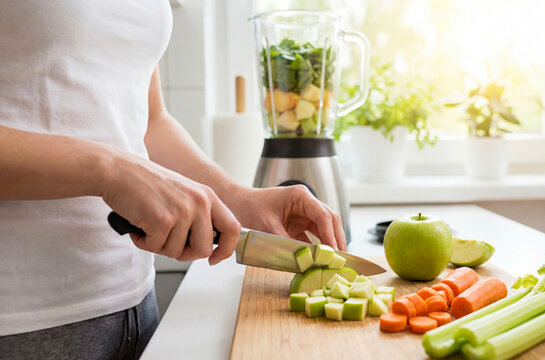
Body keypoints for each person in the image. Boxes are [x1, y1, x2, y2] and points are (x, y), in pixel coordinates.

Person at [0, 1, 346, 359]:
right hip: (22, 323)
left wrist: (235, 198)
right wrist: (110, 169)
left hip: (135, 309)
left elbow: (149, 121)